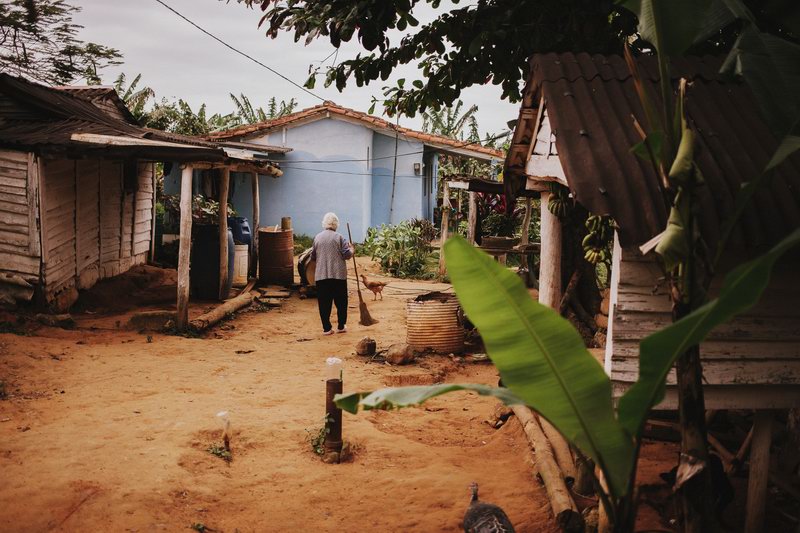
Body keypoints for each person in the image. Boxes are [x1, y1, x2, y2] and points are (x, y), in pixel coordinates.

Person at [311, 212, 354, 335]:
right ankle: (341, 326)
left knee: (324, 303)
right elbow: (347, 255)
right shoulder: (339, 237)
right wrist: (352, 249)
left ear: (324, 223)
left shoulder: (317, 237)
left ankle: (327, 328)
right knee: (341, 302)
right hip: (338, 275)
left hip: (321, 275)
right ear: (336, 224)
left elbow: (313, 256)